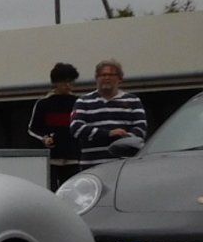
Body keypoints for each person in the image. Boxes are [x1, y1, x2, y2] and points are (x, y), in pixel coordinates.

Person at [69, 58, 149, 168]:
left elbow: (141, 128)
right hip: (92, 166)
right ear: (96, 78)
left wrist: (125, 139)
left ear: (120, 78)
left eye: (111, 75)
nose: (106, 78)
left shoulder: (133, 101)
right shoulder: (83, 101)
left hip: (124, 166)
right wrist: (109, 134)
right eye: (103, 75)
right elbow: (76, 128)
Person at [28, 62, 82, 190]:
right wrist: (44, 138)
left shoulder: (78, 102)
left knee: (71, 191)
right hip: (51, 159)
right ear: (56, 82)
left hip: (73, 158)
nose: (68, 86)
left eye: (71, 82)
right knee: (50, 190)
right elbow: (32, 128)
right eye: (64, 82)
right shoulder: (43, 103)